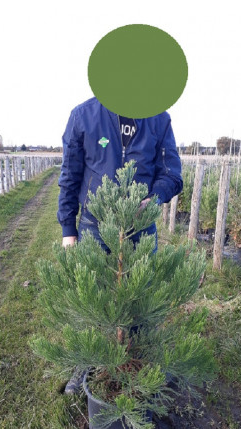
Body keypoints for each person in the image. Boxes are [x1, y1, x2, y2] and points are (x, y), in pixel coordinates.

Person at [57, 96, 183, 393]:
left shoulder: (158, 118)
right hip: (94, 224)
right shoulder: (83, 116)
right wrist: (68, 228)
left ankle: (138, 364)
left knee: (141, 299)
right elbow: (70, 175)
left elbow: (172, 174)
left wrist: (153, 199)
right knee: (92, 298)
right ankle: (86, 364)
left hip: (140, 228)